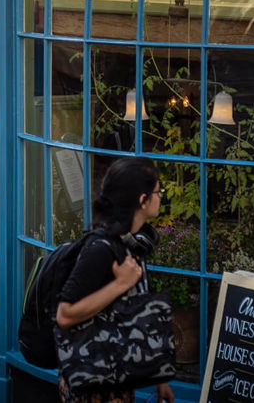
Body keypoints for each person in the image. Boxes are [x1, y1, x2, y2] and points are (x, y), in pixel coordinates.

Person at [55, 157, 174, 403]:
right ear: (143, 200)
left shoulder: (130, 243)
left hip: (114, 374)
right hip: (91, 382)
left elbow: (138, 309)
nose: (161, 196)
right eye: (157, 191)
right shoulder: (100, 249)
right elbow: (64, 315)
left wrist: (160, 378)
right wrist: (119, 284)